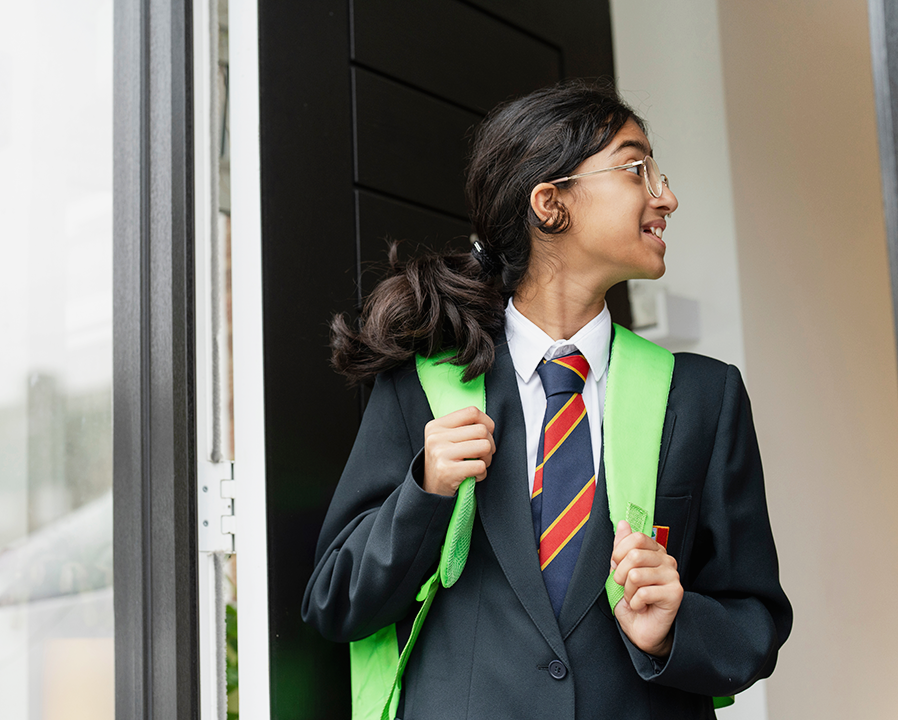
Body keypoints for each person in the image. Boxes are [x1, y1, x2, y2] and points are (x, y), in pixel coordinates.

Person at [302, 80, 792, 719]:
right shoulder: (423, 388)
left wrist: (676, 626)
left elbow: (753, 619)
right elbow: (334, 602)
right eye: (637, 167)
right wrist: (423, 494)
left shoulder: (702, 396)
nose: (665, 197)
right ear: (550, 202)